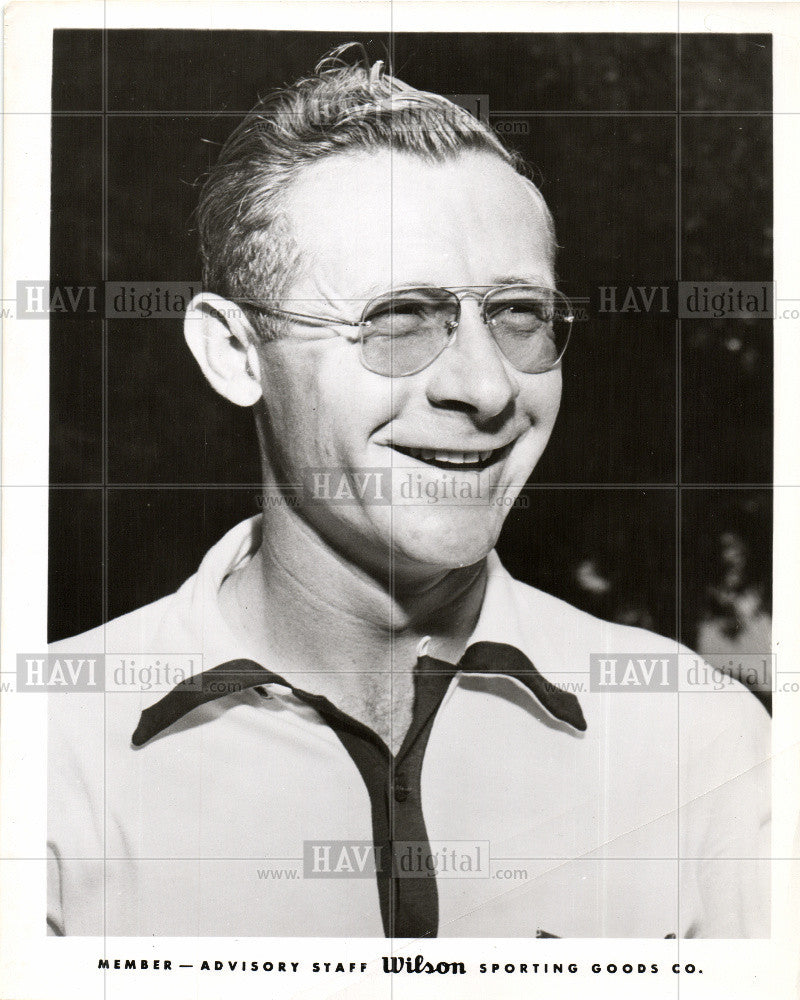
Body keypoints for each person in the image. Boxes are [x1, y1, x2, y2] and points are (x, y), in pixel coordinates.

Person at [47, 47, 770, 939]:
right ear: (235, 355)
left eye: (519, 316)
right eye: (398, 320)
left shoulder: (700, 744)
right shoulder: (53, 753)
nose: (487, 386)